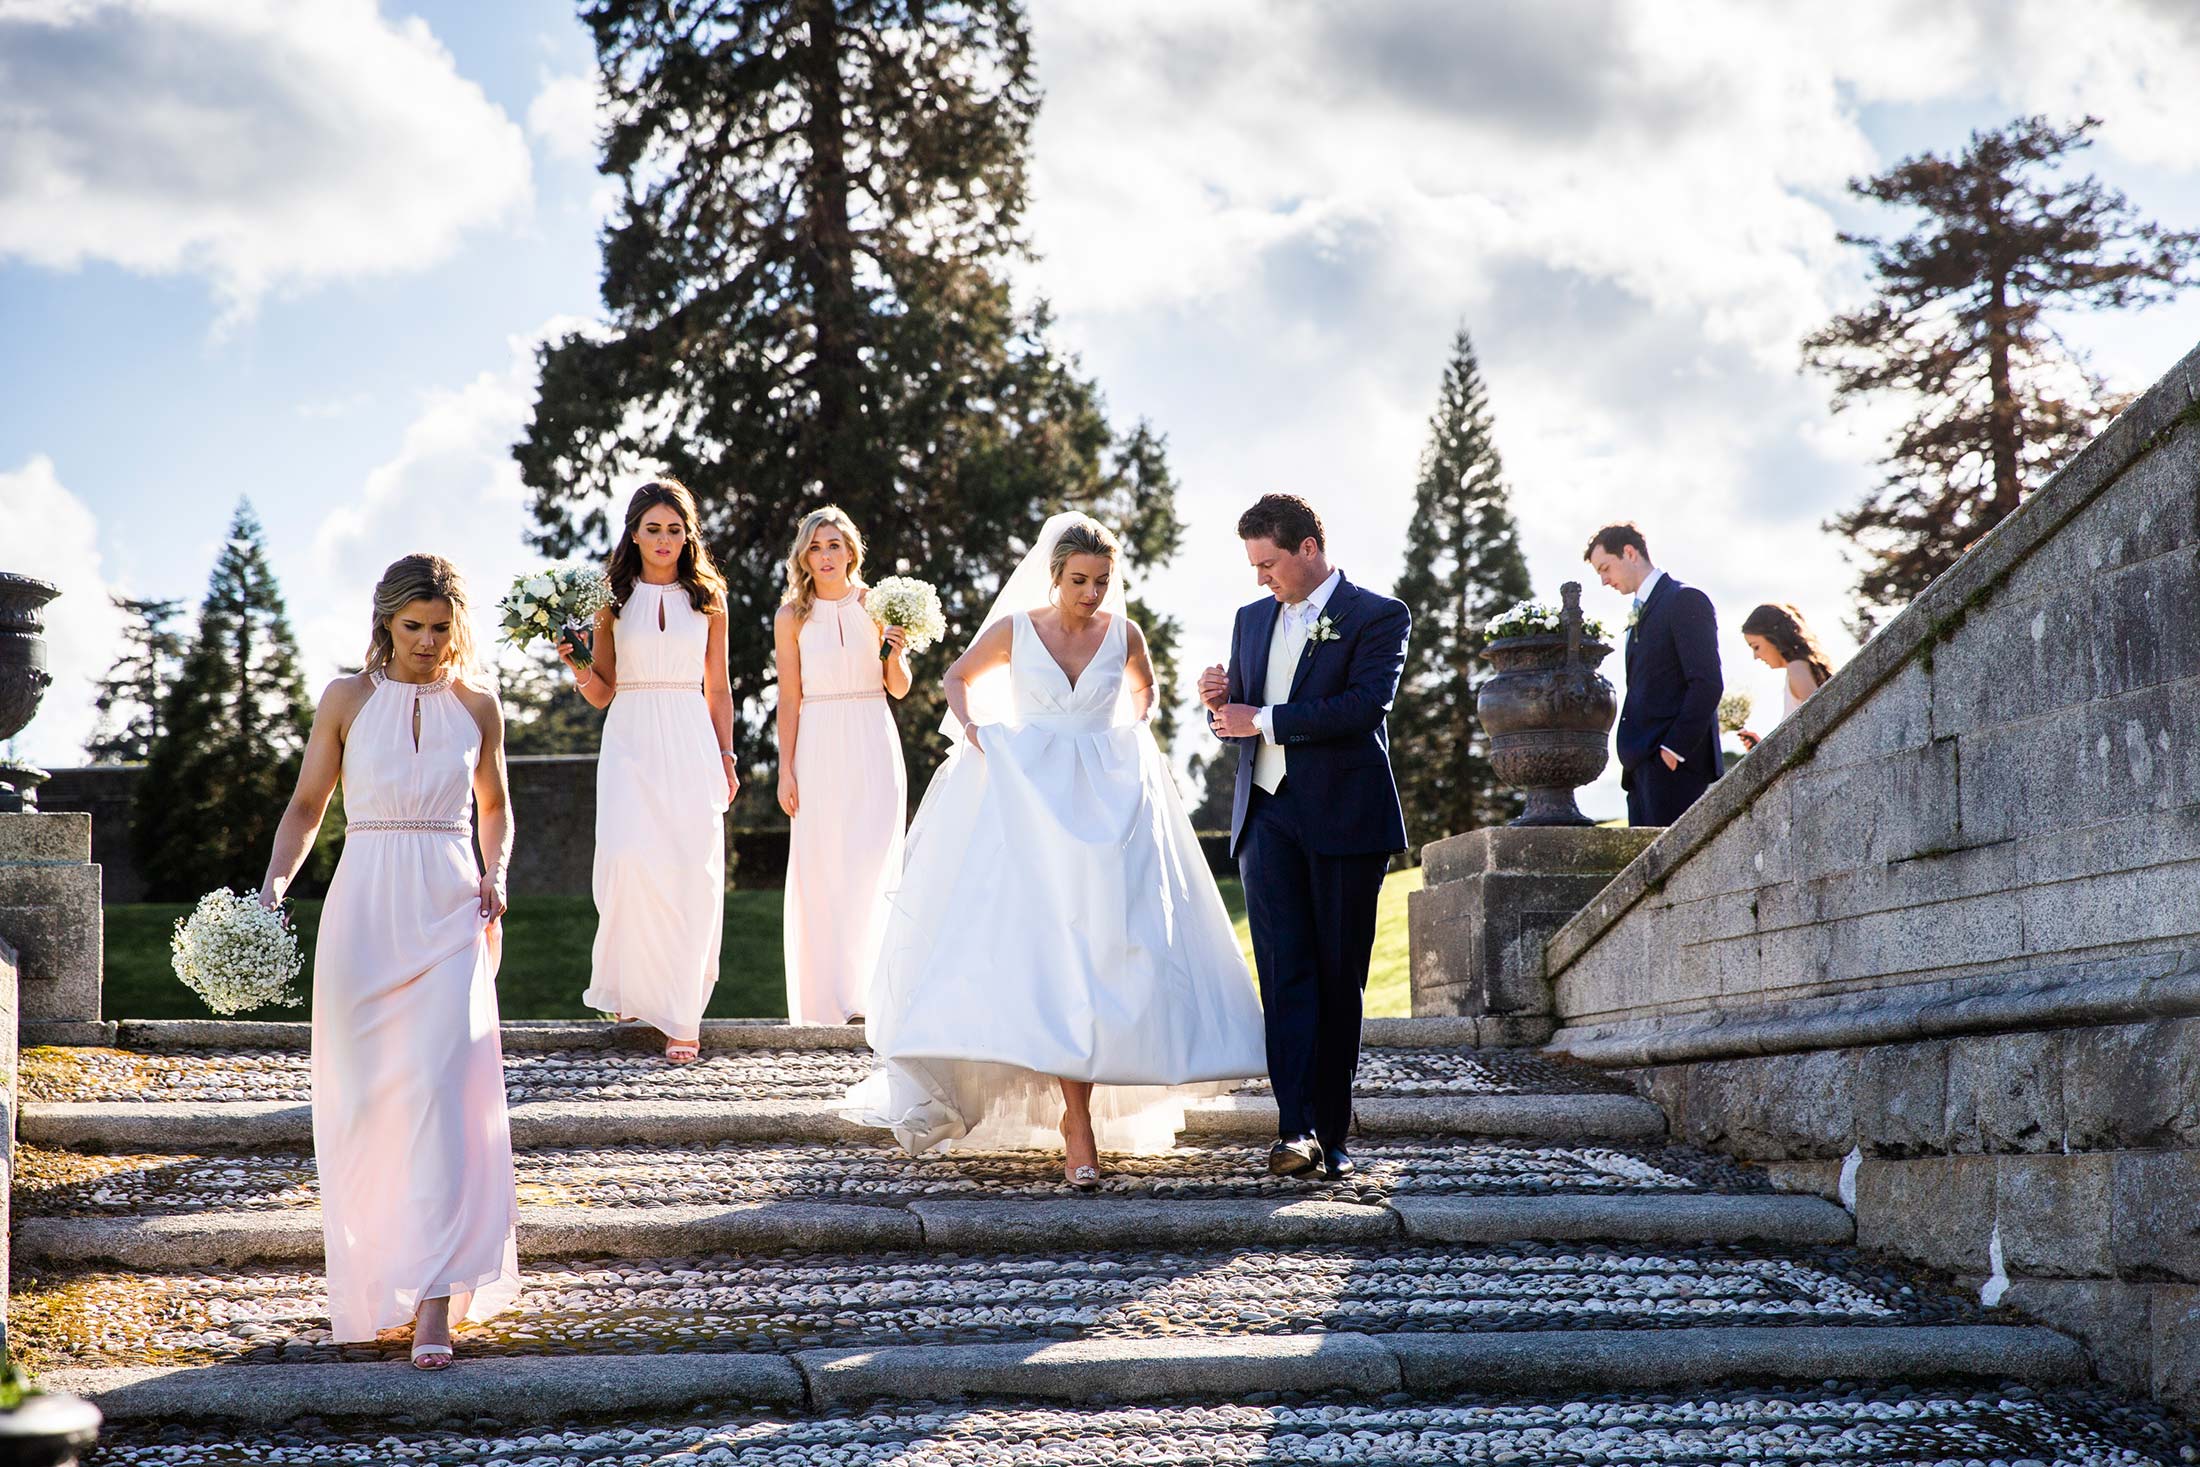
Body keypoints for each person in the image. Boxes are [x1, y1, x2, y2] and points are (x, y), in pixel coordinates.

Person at [844, 513, 1266, 1188]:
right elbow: (956, 679)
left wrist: (1131, 727)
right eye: (1079, 580)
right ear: (1055, 574)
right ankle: (1076, 1123)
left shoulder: (1124, 634)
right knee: (1042, 952)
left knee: (1102, 953)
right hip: (1028, 803)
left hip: (1107, 806)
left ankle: (1084, 1115)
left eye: (1101, 581)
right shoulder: (1017, 630)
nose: (1091, 593)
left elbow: (1145, 691)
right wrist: (981, 735)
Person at [258, 553, 519, 1371]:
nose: (429, 643)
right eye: (414, 628)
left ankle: (437, 1301)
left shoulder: (478, 703)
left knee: (445, 1094)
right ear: (385, 624)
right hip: (364, 909)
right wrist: (272, 886)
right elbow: (307, 805)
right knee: (369, 1104)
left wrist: (496, 869)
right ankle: (379, 1282)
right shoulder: (344, 699)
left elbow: (495, 805)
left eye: (442, 628)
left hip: (449, 907)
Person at [1198, 493, 1411, 1182]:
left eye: (1269, 563)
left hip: (1346, 818)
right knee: (1284, 974)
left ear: (1308, 549)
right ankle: (1295, 1129)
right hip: (1266, 815)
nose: (1262, 578)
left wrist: (1256, 715)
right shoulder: (1251, 619)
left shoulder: (1378, 615)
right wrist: (1220, 710)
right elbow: (1245, 720)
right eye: (1254, 565)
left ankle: (1334, 1129)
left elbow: (1361, 707)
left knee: (1338, 975)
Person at [557, 479, 738, 1063]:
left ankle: (683, 1014)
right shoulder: (610, 598)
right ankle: (635, 986)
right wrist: (578, 667)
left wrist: (726, 755)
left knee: (692, 870)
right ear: (634, 533)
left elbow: (720, 688)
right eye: (653, 528)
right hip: (631, 734)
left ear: (689, 536)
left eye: (675, 530)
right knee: (629, 858)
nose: (664, 540)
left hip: (689, 736)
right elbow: (603, 692)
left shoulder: (709, 598)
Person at [774, 505, 911, 1025]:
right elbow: (789, 698)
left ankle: (870, 998)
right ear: (803, 556)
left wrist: (893, 654)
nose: (826, 555)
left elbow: (897, 687)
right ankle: (828, 1003)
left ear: (852, 550)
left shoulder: (879, 604)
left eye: (834, 544)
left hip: (873, 739)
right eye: (815, 546)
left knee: (871, 867)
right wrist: (786, 769)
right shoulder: (792, 616)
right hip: (817, 743)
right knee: (823, 869)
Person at [1584, 523, 1722, 827]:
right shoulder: (1640, 611)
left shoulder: (1685, 600)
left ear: (1630, 553)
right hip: (1642, 772)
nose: (1604, 581)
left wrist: (1672, 751)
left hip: (1676, 771)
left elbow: (1706, 683)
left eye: (1605, 568)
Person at [1736, 603, 1836, 749]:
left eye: (1756, 647)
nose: (1756, 656)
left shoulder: (1797, 669)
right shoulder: (1799, 668)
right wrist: (1763, 749)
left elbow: (1819, 722)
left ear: (1774, 638)